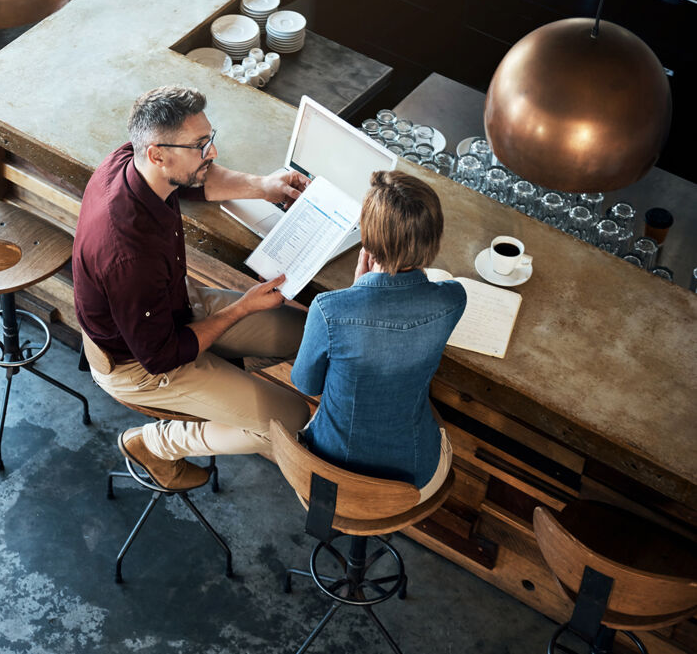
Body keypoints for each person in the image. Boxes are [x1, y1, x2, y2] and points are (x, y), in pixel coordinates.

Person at [73, 85, 312, 491]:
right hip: (141, 363)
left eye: (210, 139)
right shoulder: (128, 254)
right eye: (201, 145)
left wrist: (263, 185)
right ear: (157, 154)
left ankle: (234, 385)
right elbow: (162, 355)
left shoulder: (132, 160)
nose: (212, 153)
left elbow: (193, 180)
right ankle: (154, 444)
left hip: (173, 305)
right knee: (291, 420)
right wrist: (241, 309)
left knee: (306, 334)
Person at [291, 170, 466, 502]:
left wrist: (358, 289)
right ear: (434, 239)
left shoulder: (329, 311)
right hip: (412, 483)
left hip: (330, 477)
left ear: (367, 242)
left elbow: (306, 385)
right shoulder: (453, 299)